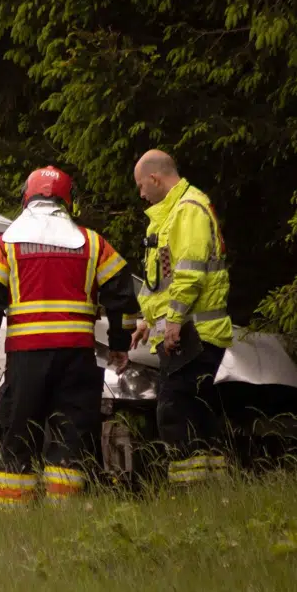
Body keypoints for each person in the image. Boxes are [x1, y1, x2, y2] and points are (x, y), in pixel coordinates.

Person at [0, 165, 139, 507]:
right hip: (76, 358)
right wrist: (120, 346)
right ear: (68, 201)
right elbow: (121, 296)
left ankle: (14, 515)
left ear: (26, 198)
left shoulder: (5, 246)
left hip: (26, 358)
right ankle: (65, 516)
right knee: (70, 436)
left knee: (18, 435)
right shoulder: (93, 243)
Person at [126, 149, 234, 486]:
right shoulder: (174, 214)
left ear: (156, 179)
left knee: (175, 410)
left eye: (142, 186)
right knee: (198, 411)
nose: (141, 194)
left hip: (193, 334)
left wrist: (171, 323)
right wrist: (147, 322)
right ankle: (211, 488)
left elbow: (189, 275)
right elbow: (159, 284)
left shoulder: (187, 211)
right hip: (190, 332)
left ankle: (189, 490)